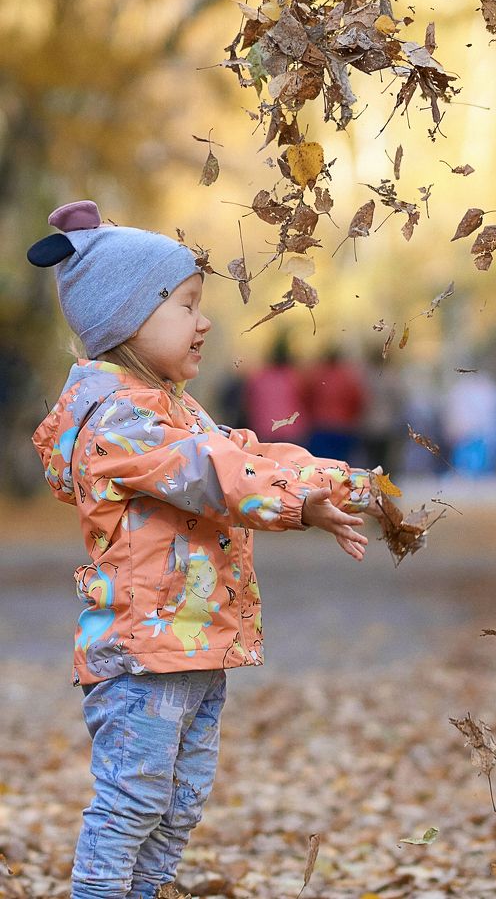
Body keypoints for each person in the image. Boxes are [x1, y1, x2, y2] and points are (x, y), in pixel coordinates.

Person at [28, 200, 378, 899]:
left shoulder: (175, 408)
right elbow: (213, 475)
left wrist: (341, 482)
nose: (205, 321)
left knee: (178, 808)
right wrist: (293, 504)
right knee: (132, 805)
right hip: (141, 656)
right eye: (186, 305)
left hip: (191, 645)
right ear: (128, 318)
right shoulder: (120, 420)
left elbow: (246, 453)